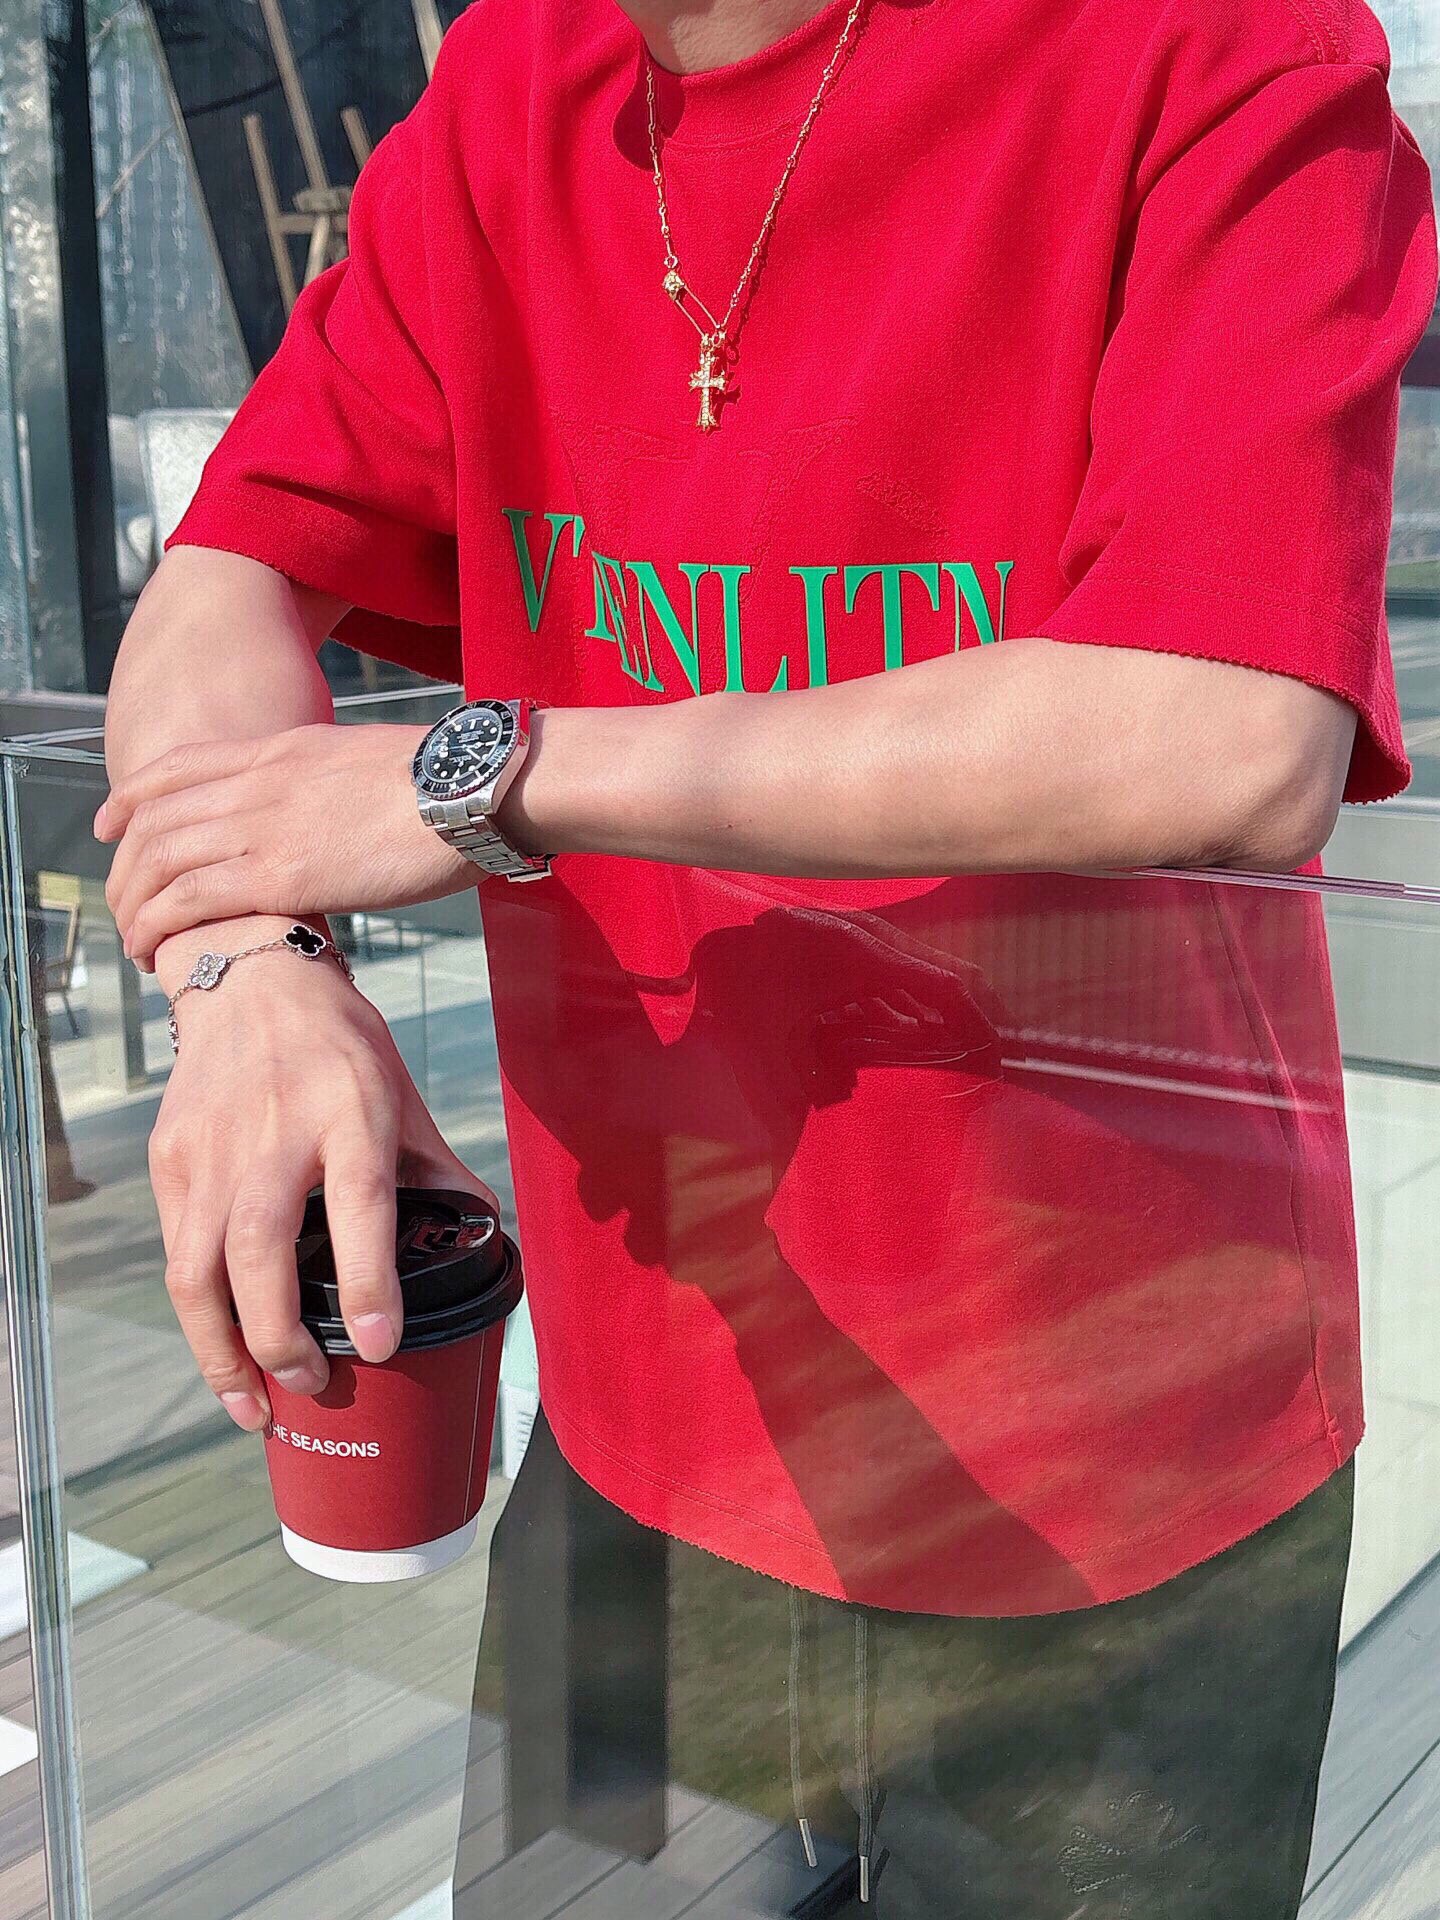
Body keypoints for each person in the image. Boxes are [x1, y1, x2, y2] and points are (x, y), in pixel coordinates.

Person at [97, 0, 1435, 1911]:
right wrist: (250, 967)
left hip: (1120, 1497)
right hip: (639, 1441)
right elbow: (225, 574)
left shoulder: (1212, 47)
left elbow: (1230, 731)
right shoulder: (514, 88)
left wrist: (489, 776)